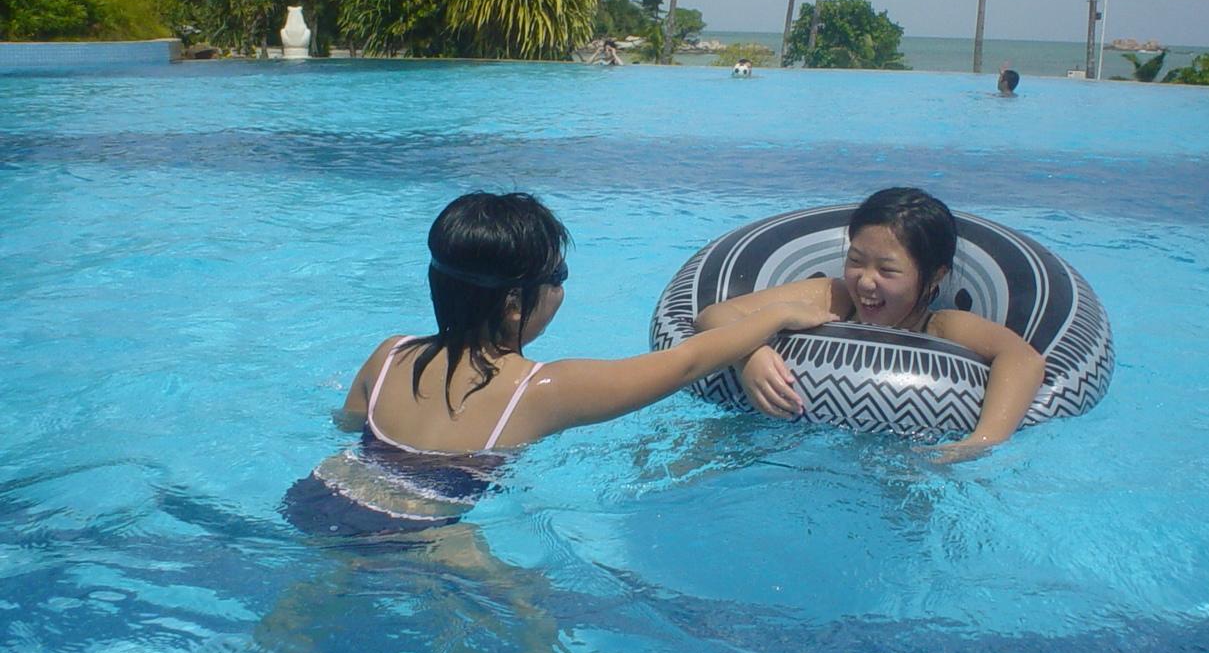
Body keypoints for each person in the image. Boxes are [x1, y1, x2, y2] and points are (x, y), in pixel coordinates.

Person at [286, 192, 834, 534]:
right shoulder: (542, 390)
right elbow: (687, 362)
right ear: (514, 303)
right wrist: (779, 313)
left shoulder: (389, 354)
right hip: (413, 533)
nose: (561, 291)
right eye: (558, 278)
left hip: (316, 498)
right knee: (534, 633)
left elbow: (348, 425)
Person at [693, 187, 1046, 459]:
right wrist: (749, 355)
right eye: (856, 261)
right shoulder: (832, 297)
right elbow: (714, 315)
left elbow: (1023, 359)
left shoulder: (942, 327)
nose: (865, 282)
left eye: (887, 270)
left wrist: (981, 442)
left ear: (935, 276)